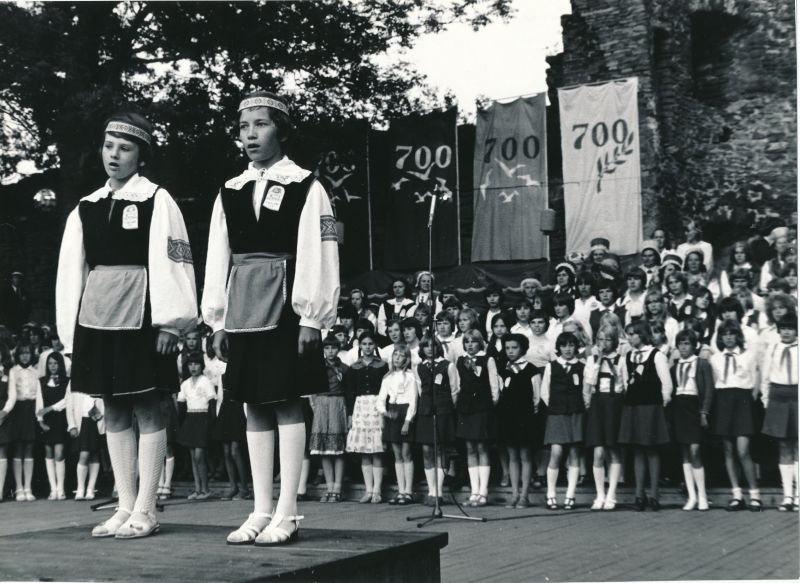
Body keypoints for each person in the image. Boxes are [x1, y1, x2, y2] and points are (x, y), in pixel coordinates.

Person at [201, 92, 339, 545]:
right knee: (253, 404)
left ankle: (289, 511)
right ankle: (260, 509)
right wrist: (216, 320)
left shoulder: (306, 186)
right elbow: (217, 255)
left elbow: (319, 253)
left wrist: (312, 317)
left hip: (286, 304)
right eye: (244, 128)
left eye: (260, 125)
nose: (251, 135)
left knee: (284, 401)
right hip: (242, 306)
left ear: (280, 129)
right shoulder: (230, 190)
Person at [55, 112, 197, 537]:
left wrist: (172, 323)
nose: (114, 155)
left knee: (148, 407)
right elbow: (70, 275)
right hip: (97, 318)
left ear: (141, 155)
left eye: (125, 148)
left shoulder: (157, 200)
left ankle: (147, 508)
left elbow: (175, 261)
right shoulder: (87, 207)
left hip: (143, 316)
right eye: (108, 146)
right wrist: (69, 337)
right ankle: (123, 504)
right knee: (113, 410)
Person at [618, 321, 672, 511]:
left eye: (634, 334)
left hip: (651, 407)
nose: (630, 337)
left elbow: (666, 384)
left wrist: (660, 406)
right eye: (629, 334)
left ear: (643, 335)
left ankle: (654, 494)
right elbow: (625, 381)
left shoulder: (656, 356)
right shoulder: (629, 356)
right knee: (638, 450)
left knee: (651, 450)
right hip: (633, 406)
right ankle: (639, 494)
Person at [710, 320, 762, 511]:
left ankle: (755, 495)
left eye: (732, 333)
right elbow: (715, 383)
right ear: (721, 337)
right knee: (728, 451)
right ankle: (737, 494)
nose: (729, 337)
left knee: (743, 451)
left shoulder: (748, 356)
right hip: (723, 401)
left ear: (738, 335)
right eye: (725, 334)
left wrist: (750, 401)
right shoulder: (715, 359)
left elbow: (755, 381)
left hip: (742, 401)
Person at [583, 324, 627, 511]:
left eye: (608, 339)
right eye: (600, 339)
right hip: (597, 404)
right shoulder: (591, 360)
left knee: (613, 450)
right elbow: (589, 383)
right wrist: (598, 360)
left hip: (614, 405)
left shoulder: (621, 360)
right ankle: (600, 494)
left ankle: (612, 494)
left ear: (615, 341)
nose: (603, 343)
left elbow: (624, 384)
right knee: (598, 452)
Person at [455, 329, 499, 507]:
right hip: (466, 408)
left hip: (482, 407)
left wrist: (489, 405)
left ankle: (483, 492)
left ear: (480, 343)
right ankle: (474, 491)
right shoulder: (460, 361)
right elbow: (457, 385)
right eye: (467, 342)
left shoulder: (487, 359)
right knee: (470, 448)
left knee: (482, 447)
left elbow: (494, 386)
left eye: (473, 341)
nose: (470, 345)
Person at [497, 333, 541, 509]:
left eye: (514, 347)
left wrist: (531, 417)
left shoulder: (532, 370)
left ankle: (525, 495)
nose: (510, 351)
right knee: (512, 456)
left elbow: (537, 398)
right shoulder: (504, 370)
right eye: (507, 348)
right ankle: (514, 494)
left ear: (522, 348)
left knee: (525, 456)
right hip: (508, 419)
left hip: (525, 419)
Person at [541, 333, 585, 510]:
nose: (568, 349)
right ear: (558, 348)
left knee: (574, 453)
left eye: (571, 345)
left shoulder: (582, 367)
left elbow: (585, 391)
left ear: (576, 347)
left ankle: (570, 495)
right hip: (557, 414)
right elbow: (545, 392)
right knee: (556, 452)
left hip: (575, 413)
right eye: (564, 346)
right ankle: (551, 494)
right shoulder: (552, 366)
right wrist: (555, 406)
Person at [670, 330, 713, 511]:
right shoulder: (674, 366)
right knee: (685, 452)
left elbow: (709, 390)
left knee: (695, 451)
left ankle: (702, 495)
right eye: (680, 344)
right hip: (679, 407)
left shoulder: (701, 364)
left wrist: (704, 412)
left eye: (687, 344)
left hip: (694, 406)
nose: (683, 347)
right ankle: (692, 496)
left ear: (694, 346)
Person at [759, 315, 798, 512]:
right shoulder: (773, 348)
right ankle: (787, 496)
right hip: (778, 398)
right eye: (783, 328)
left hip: (797, 396)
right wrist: (766, 400)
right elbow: (765, 377)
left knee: (798, 446)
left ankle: (799, 494)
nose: (787, 332)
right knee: (784, 446)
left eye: (791, 328)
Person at [344, 331, 388, 504]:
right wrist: (350, 415)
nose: (367, 347)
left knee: (377, 449)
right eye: (364, 344)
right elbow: (350, 393)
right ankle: (368, 489)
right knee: (365, 451)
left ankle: (377, 490)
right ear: (360, 346)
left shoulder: (382, 365)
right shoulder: (354, 368)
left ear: (375, 345)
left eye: (370, 344)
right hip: (361, 408)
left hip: (376, 407)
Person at [415, 335, 459, 507]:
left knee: (440, 449)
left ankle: (439, 491)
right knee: (427, 450)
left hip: (443, 410)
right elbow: (419, 389)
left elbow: (455, 390)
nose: (429, 349)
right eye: (425, 346)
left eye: (432, 345)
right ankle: (431, 490)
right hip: (425, 410)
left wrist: (446, 408)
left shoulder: (448, 365)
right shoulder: (419, 367)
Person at [376, 344, 418, 506]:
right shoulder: (388, 377)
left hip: (405, 413)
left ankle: (408, 491)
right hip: (393, 414)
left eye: (401, 355)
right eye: (395, 355)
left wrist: (408, 421)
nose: (397, 358)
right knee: (397, 454)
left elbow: (413, 400)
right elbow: (380, 400)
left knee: (407, 452)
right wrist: (386, 413)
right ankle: (401, 490)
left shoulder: (410, 377)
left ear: (407, 359)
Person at [311, 334, 349, 503]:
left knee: (338, 449)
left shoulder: (345, 368)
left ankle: (338, 488)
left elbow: (348, 391)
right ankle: (329, 486)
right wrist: (315, 406)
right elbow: (311, 389)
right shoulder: (317, 367)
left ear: (338, 349)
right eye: (327, 348)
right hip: (321, 404)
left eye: (333, 348)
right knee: (324, 449)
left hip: (338, 403)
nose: (330, 351)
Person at [176, 353, 216, 500]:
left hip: (202, 419)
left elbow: (212, 404)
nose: (193, 367)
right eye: (190, 364)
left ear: (202, 366)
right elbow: (181, 406)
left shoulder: (206, 381)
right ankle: (198, 489)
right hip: (190, 419)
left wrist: (211, 424)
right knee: (193, 456)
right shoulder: (185, 384)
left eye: (196, 364)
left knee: (200, 456)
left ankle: (206, 489)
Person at [36, 352, 70, 500]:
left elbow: (66, 400)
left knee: (59, 454)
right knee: (48, 454)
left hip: (60, 419)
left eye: (55, 363)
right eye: (50, 364)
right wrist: (40, 421)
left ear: (60, 365)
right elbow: (39, 402)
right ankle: (53, 489)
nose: (53, 366)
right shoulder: (42, 381)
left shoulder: (66, 381)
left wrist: (50, 408)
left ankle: (61, 489)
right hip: (46, 421)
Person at [8, 344, 38, 501]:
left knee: (29, 448)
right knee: (18, 448)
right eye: (22, 353)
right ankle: (19, 488)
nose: (25, 356)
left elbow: (39, 394)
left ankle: (28, 487)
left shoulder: (36, 372)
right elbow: (12, 394)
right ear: (17, 355)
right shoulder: (13, 371)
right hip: (18, 410)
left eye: (28, 353)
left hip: (31, 409)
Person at [66, 388, 105, 501]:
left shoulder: (98, 377)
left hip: (96, 421)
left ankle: (90, 488)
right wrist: (72, 425)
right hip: (81, 423)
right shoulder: (74, 380)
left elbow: (103, 402)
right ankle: (80, 488)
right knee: (84, 455)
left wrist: (101, 417)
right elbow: (69, 406)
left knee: (94, 455)